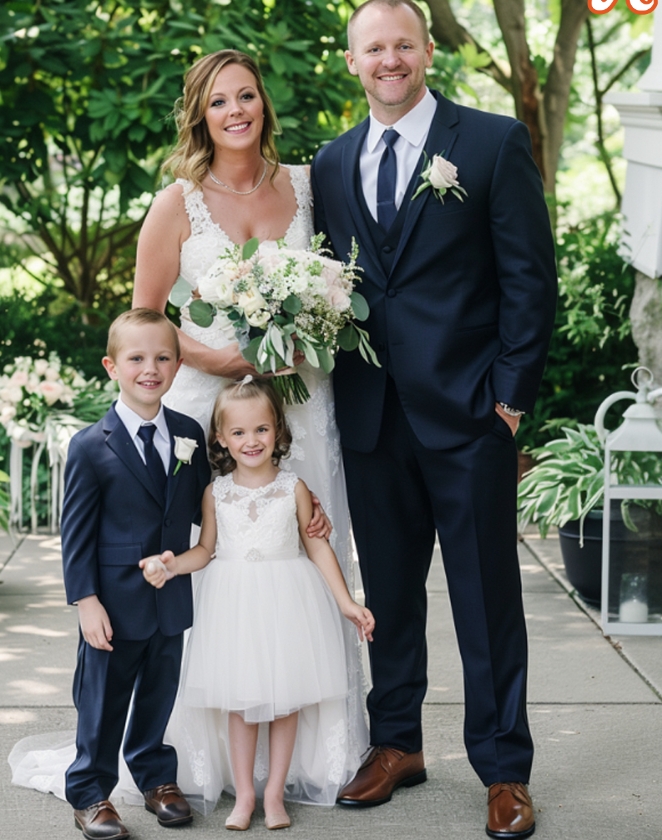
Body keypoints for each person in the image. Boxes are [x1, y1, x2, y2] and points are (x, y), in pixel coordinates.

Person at [310, 1, 557, 836]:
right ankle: (397, 744)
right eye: (374, 47)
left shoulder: (490, 142)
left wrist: (510, 400)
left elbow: (530, 278)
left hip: (471, 415)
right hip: (371, 418)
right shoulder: (330, 163)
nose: (391, 59)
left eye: (403, 45)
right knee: (388, 596)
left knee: (487, 599)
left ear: (425, 52)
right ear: (352, 61)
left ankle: (504, 769)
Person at [131, 49, 369, 774]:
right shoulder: (177, 203)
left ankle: (316, 759)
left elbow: (340, 281)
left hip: (302, 404)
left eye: (245, 96)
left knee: (305, 547)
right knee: (221, 559)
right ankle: (205, 760)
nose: (235, 111)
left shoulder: (308, 184)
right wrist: (219, 359)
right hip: (210, 408)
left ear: (263, 102)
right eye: (218, 102)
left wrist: (309, 325)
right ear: (199, 116)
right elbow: (146, 319)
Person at [142, 377, 375, 830]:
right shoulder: (216, 493)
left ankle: (274, 794)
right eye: (239, 432)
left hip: (287, 603)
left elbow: (317, 547)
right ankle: (245, 794)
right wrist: (172, 565)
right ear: (221, 438)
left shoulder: (294, 488)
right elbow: (205, 550)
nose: (252, 441)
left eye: (262, 430)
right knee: (240, 702)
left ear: (278, 431)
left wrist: (347, 602)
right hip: (234, 608)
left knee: (287, 700)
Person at [12, 309, 211, 840]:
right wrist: (86, 601)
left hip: (170, 595)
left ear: (178, 366)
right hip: (113, 602)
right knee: (102, 701)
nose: (151, 368)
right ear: (112, 366)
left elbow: (206, 507)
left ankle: (155, 777)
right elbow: (76, 533)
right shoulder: (89, 445)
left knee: (159, 693)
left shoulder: (188, 435)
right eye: (137, 358)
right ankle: (89, 791)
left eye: (163, 358)